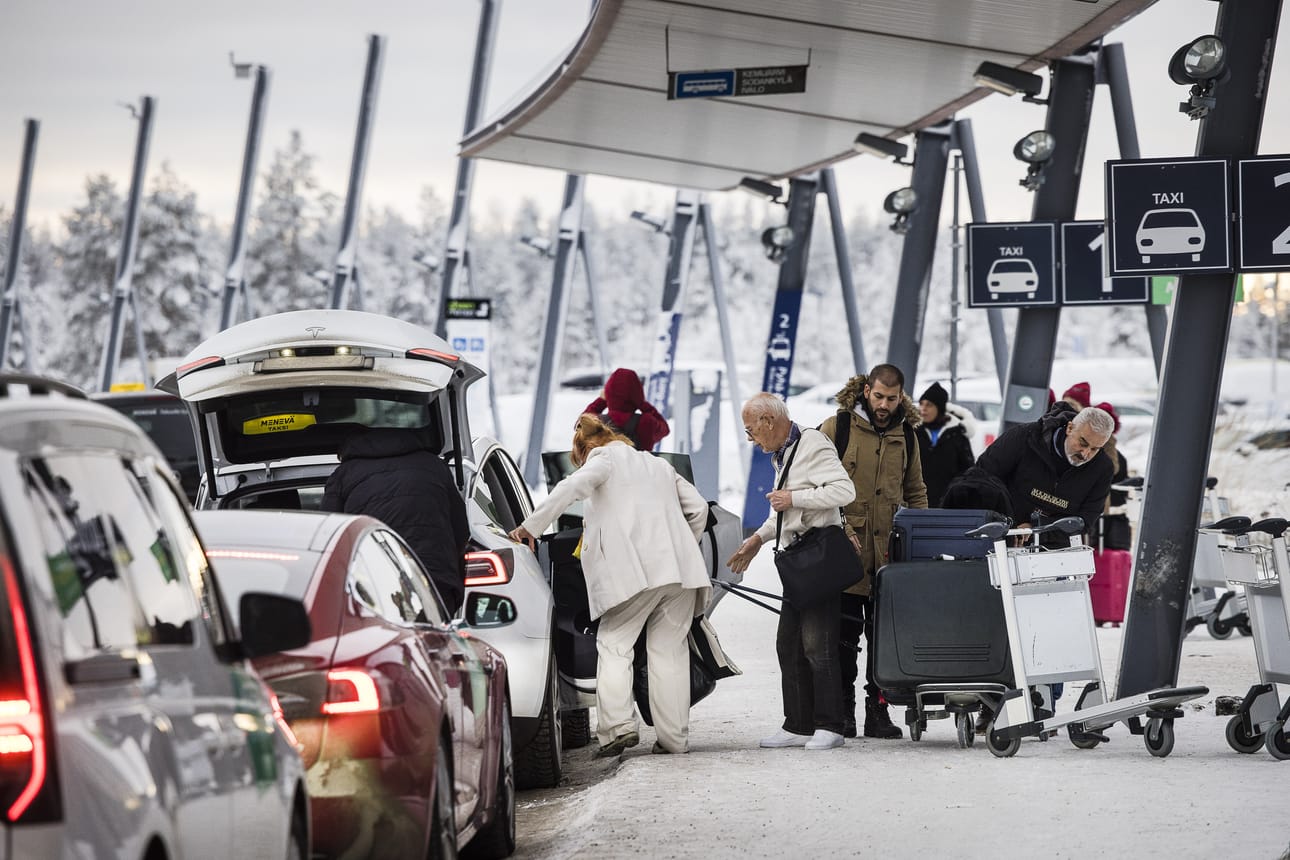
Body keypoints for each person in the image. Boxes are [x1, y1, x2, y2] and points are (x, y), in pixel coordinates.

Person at [508, 414, 710, 757]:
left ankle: (618, 729)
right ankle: (674, 740)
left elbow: (570, 488)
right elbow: (699, 508)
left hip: (635, 573)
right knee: (669, 652)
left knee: (615, 645)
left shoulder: (603, 459)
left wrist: (530, 528)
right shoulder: (658, 465)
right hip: (680, 574)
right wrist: (681, 546)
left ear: (587, 448)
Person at [727, 393, 856, 751]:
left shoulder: (812, 444)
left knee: (818, 645)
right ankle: (798, 725)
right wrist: (757, 539)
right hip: (798, 562)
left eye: (751, 430)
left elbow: (844, 491)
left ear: (769, 421)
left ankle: (830, 726)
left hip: (817, 561)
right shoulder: (783, 454)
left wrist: (795, 498)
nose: (751, 438)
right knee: (788, 644)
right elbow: (782, 513)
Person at [817, 365, 928, 739]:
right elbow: (814, 483)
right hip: (845, 552)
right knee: (843, 639)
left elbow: (916, 491)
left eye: (891, 399)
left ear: (900, 397)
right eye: (878, 396)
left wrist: (920, 541)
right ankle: (843, 711)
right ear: (866, 391)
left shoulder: (907, 435)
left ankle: (877, 711)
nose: (884, 405)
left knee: (884, 641)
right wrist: (839, 527)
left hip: (889, 557)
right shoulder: (837, 428)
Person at [321, 427, 470, 614]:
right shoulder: (434, 466)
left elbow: (329, 537)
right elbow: (461, 530)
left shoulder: (343, 476)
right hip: (433, 579)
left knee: (387, 632)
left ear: (344, 450)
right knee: (434, 631)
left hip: (376, 584)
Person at [977, 402, 1116, 549]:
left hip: (1055, 548)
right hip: (999, 538)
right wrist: (1007, 523)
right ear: (1069, 428)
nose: (1085, 453)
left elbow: (1085, 520)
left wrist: (1036, 529)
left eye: (1095, 449)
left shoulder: (1102, 469)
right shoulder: (1024, 437)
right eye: (1083, 443)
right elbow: (982, 478)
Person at [915, 381, 976, 507]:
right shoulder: (913, 433)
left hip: (950, 505)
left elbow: (968, 471)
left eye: (929, 405)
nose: (923, 409)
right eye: (921, 404)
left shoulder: (957, 435)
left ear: (940, 408)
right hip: (917, 504)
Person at [583, 367, 670, 451]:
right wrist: (642, 403)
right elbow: (665, 429)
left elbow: (582, 424)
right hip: (638, 462)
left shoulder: (597, 423)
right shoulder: (646, 422)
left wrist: (601, 401)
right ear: (637, 395)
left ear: (608, 393)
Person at [1095, 401, 1133, 551]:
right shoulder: (1114, 449)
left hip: (1101, 505)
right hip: (1104, 505)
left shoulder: (1107, 443)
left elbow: (1111, 469)